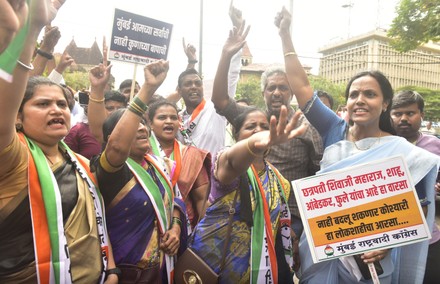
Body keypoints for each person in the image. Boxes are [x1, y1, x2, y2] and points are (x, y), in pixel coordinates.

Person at [275, 6, 439, 284]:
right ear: (347, 103)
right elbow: (302, 87)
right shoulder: (334, 131)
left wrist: (389, 240)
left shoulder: (403, 151)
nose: (360, 100)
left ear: (385, 103)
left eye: (370, 94)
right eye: (354, 94)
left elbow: (420, 205)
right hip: (325, 257)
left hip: (374, 262)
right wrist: (284, 36)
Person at [0, 1, 117, 283]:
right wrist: (31, 31)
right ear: (18, 117)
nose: (57, 110)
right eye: (43, 104)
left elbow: (97, 225)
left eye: (62, 104)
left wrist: (111, 270)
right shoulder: (13, 157)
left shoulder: (81, 165)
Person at [211, 5, 323, 253]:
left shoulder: (305, 126)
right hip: (244, 209)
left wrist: (298, 224)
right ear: (263, 93)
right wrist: (226, 55)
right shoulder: (250, 118)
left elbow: (317, 174)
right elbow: (219, 100)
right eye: (271, 88)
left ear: (291, 93)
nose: (276, 92)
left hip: (290, 216)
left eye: (283, 88)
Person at [89, 59, 186, 283]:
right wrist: (148, 89)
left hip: (163, 270)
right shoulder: (111, 170)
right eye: (135, 123)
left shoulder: (161, 166)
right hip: (127, 274)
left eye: (144, 122)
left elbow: (175, 203)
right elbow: (116, 148)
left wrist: (176, 228)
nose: (142, 127)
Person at [190, 105, 307, 283]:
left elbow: (271, 222)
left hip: (257, 271)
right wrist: (253, 143)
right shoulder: (227, 163)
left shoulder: (278, 179)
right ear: (236, 134)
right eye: (250, 126)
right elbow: (231, 159)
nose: (258, 131)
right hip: (214, 268)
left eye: (264, 127)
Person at [390, 90, 440, 284]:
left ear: (422, 115)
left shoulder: (435, 145)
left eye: (410, 113)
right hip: (389, 240)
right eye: (397, 113)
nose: (403, 118)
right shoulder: (382, 144)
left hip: (429, 238)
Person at [148, 100, 211, 230]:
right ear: (150, 124)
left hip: (184, 229)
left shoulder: (192, 155)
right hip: (147, 228)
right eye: (162, 117)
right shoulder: (140, 153)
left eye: (173, 118)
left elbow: (201, 200)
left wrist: (204, 235)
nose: (169, 121)